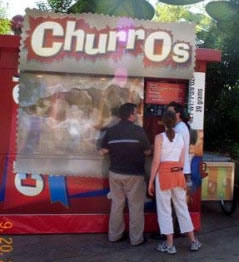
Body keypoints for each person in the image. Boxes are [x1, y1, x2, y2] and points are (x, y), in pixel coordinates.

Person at [148, 110, 201, 254]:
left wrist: (150, 181)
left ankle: (170, 245)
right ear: (174, 121)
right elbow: (182, 161)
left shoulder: (159, 137)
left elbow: (156, 161)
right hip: (178, 175)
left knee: (165, 210)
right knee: (182, 208)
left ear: (163, 122)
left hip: (164, 176)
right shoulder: (180, 138)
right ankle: (194, 241)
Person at [99, 103, 151, 246]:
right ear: (131, 115)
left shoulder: (111, 131)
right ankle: (136, 239)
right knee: (135, 207)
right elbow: (147, 152)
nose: (137, 115)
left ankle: (114, 236)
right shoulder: (138, 131)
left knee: (117, 205)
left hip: (115, 173)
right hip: (135, 175)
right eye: (136, 113)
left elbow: (102, 151)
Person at [168, 101, 192, 186]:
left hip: (180, 169)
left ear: (178, 114)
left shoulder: (180, 128)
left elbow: (172, 147)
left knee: (178, 198)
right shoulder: (177, 127)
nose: (168, 115)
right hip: (177, 168)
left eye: (170, 112)